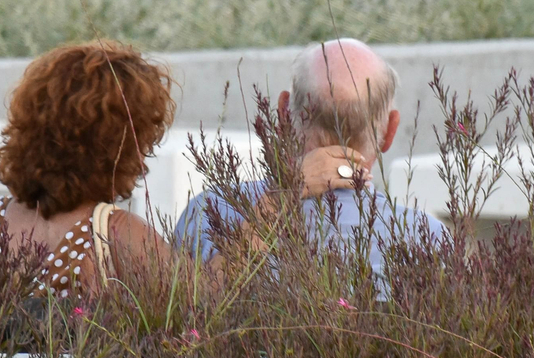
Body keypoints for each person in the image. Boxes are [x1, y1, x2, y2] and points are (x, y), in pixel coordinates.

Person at [0, 39, 366, 299]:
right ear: (117, 147)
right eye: (143, 139)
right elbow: (209, 294)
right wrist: (286, 192)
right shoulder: (111, 232)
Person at [172, 38, 448, 290]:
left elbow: (187, 318)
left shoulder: (208, 212)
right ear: (390, 131)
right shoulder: (428, 240)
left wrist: (280, 197)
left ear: (283, 113)